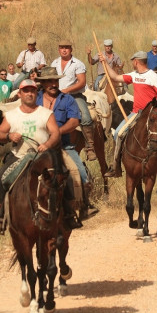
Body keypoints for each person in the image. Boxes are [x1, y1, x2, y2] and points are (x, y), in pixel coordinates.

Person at [0, 79, 61, 234]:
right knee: (0, 180)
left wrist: (47, 145)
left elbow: (55, 133)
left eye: (32, 91)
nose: (29, 94)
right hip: (19, 155)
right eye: (26, 91)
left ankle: (68, 213)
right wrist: (9, 136)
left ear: (37, 93)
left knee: (63, 177)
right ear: (19, 94)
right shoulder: (11, 115)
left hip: (42, 156)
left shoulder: (46, 113)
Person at [36, 67, 99, 219]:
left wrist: (57, 132)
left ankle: (84, 205)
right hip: (37, 145)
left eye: (55, 81)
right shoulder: (36, 98)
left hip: (63, 146)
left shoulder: (68, 99)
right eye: (49, 81)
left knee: (81, 173)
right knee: (17, 169)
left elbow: (74, 121)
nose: (53, 84)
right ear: (43, 83)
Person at [100, 51, 157, 178]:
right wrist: (104, 63)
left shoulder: (152, 76)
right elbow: (115, 77)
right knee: (118, 134)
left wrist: (155, 103)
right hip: (136, 113)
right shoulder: (133, 75)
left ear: (136, 61)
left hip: (151, 114)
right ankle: (116, 166)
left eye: (132, 61)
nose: (132, 63)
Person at [51, 40, 97, 161]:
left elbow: (82, 82)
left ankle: (90, 147)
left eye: (66, 48)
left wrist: (66, 90)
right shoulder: (54, 63)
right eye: (62, 48)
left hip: (74, 96)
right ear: (59, 49)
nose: (64, 50)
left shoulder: (78, 63)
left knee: (86, 116)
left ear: (71, 49)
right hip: (56, 95)